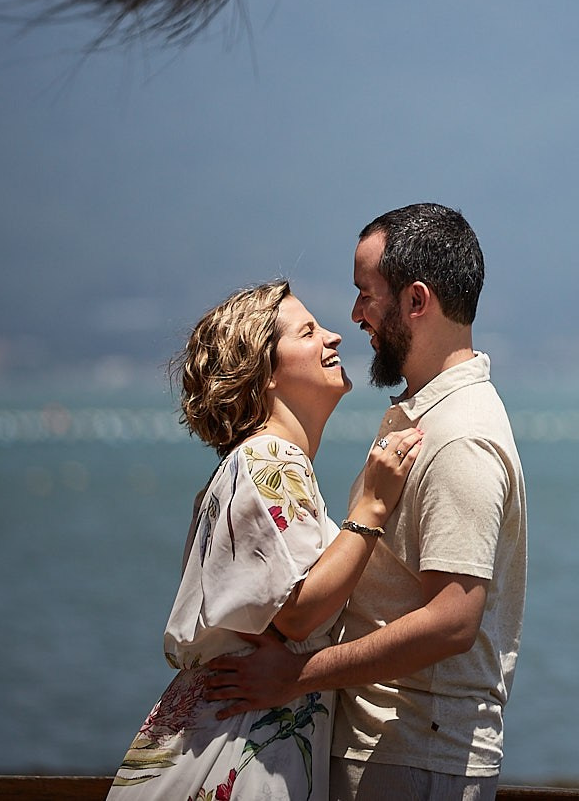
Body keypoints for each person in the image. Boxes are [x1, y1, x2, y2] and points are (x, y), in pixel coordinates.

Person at [207, 204, 526, 801]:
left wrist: (294, 678)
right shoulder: (424, 413)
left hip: (415, 757)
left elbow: (453, 621)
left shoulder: (460, 436)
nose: (354, 317)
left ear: (416, 300)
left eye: (365, 294)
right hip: (394, 751)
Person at [113, 280, 426, 801]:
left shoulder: (244, 465)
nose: (333, 337)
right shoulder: (268, 461)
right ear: (266, 374)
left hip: (220, 737)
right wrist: (372, 504)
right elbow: (298, 613)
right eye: (307, 332)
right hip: (243, 752)